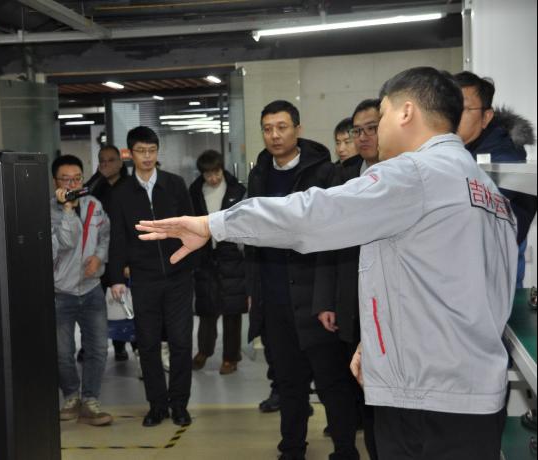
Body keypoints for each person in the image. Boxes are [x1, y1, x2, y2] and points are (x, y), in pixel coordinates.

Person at [136, 67, 517, 460]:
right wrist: (380, 343)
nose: (376, 131)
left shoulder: (415, 173)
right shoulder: (484, 187)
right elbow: (467, 291)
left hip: (428, 397)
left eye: (382, 116)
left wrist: (212, 224)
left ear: (406, 112)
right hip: (473, 393)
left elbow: (313, 215)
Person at [234, 99, 358, 460]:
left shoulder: (324, 172)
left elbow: (334, 241)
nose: (275, 135)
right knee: (288, 383)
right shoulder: (260, 174)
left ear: (298, 129)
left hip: (315, 300)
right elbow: (253, 236)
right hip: (274, 297)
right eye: (267, 129)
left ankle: (345, 450)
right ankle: (291, 450)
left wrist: (328, 300)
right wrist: (254, 292)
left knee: (332, 382)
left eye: (282, 127)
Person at [107, 126, 195, 427]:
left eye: (152, 151)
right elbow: (118, 237)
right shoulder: (121, 193)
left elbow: (192, 226)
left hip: (179, 276)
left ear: (158, 152)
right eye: (141, 151)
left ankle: (179, 404)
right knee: (147, 343)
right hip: (144, 279)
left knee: (181, 342)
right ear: (130, 154)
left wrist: (191, 264)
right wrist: (116, 277)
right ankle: (157, 405)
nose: (147, 156)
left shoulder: (175, 184)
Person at [314, 107, 381, 459]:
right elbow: (327, 241)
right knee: (347, 382)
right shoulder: (340, 178)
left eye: (372, 128)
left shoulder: (401, 174)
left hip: (387, 307)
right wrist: (326, 300)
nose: (363, 137)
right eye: (357, 131)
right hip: (348, 299)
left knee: (378, 398)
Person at [454, 71, 537, 288]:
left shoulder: (505, 155)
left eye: (463, 108)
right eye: (449, 107)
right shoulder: (456, 148)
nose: (452, 116)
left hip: (495, 265)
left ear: (486, 116)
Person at [50, 154, 113, 426]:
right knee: (62, 352)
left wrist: (99, 257)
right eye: (66, 179)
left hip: (91, 289)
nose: (73, 184)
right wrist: (67, 209)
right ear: (55, 182)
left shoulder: (94, 205)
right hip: (60, 291)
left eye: (77, 179)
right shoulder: (47, 211)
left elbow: (105, 236)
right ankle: (71, 397)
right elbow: (66, 243)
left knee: (97, 348)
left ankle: (90, 400)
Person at [189, 150, 247, 375]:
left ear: (222, 169)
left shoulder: (237, 191)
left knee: (232, 310)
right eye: (208, 174)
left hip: (231, 256)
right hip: (205, 257)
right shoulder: (194, 192)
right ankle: (204, 351)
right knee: (207, 309)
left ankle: (231, 357)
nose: (213, 178)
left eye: (216, 173)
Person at [84, 144, 136, 362]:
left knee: (127, 302)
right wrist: (99, 176)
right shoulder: (96, 186)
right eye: (102, 161)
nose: (106, 164)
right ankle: (94, 346)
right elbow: (82, 198)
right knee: (97, 305)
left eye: (111, 160)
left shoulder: (131, 186)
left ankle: (128, 345)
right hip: (99, 254)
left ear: (120, 162)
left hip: (124, 253)